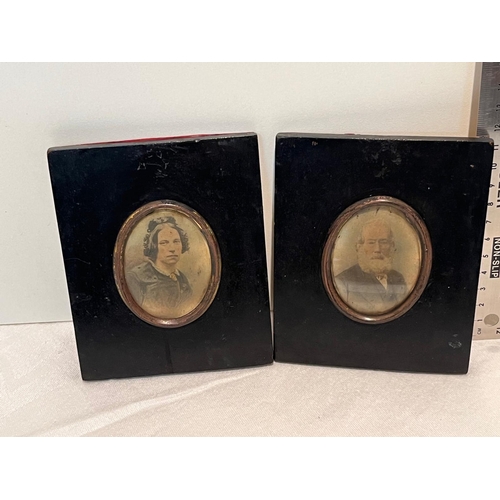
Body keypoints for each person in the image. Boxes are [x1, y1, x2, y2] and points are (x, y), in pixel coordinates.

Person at [335, 219, 407, 314]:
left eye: (383, 242)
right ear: (359, 247)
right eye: (371, 242)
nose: (377, 249)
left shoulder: (398, 278)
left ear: (392, 246)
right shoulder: (343, 282)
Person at [127, 216, 192, 316]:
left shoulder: (182, 279)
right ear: (154, 246)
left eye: (176, 241)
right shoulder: (137, 278)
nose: (172, 248)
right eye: (164, 243)